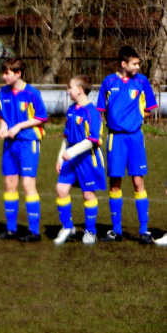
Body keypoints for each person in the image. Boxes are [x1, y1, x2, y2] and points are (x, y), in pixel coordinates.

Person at [97, 45, 157, 244]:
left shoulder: (142, 82)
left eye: (139, 63)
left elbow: (150, 108)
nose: (138, 67)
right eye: (135, 64)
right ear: (123, 64)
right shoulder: (108, 82)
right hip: (115, 138)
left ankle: (144, 230)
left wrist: (139, 115)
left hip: (135, 138)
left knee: (138, 181)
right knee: (115, 182)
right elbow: (100, 110)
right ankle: (116, 230)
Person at [0, 58, 48, 242]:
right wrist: (3, 127)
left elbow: (41, 117)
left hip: (28, 142)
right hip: (10, 144)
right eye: (3, 72)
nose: (3, 76)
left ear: (18, 73)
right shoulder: (3, 92)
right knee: (9, 185)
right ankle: (11, 229)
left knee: (28, 185)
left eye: (7, 73)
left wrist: (18, 127)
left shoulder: (32, 93)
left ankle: (34, 231)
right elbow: (2, 115)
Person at [54, 75, 106, 246]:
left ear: (80, 90)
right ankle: (68, 227)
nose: (68, 90)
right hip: (70, 157)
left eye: (70, 87)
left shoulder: (93, 112)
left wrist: (73, 151)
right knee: (61, 189)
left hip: (87, 158)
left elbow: (93, 139)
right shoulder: (71, 109)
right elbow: (67, 136)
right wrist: (61, 156)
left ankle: (91, 231)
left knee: (88, 194)